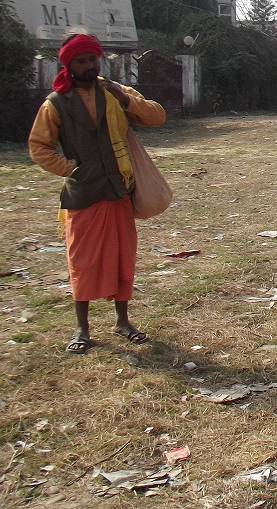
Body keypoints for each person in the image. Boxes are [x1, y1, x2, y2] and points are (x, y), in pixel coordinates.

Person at [28, 33, 166, 354]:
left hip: (118, 189)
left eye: (93, 59)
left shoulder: (114, 92)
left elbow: (157, 116)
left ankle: (123, 321)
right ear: (69, 65)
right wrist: (69, 169)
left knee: (122, 258)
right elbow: (39, 146)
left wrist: (125, 99)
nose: (90, 65)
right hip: (83, 194)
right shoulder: (56, 103)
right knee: (83, 260)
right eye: (82, 61)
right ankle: (82, 328)